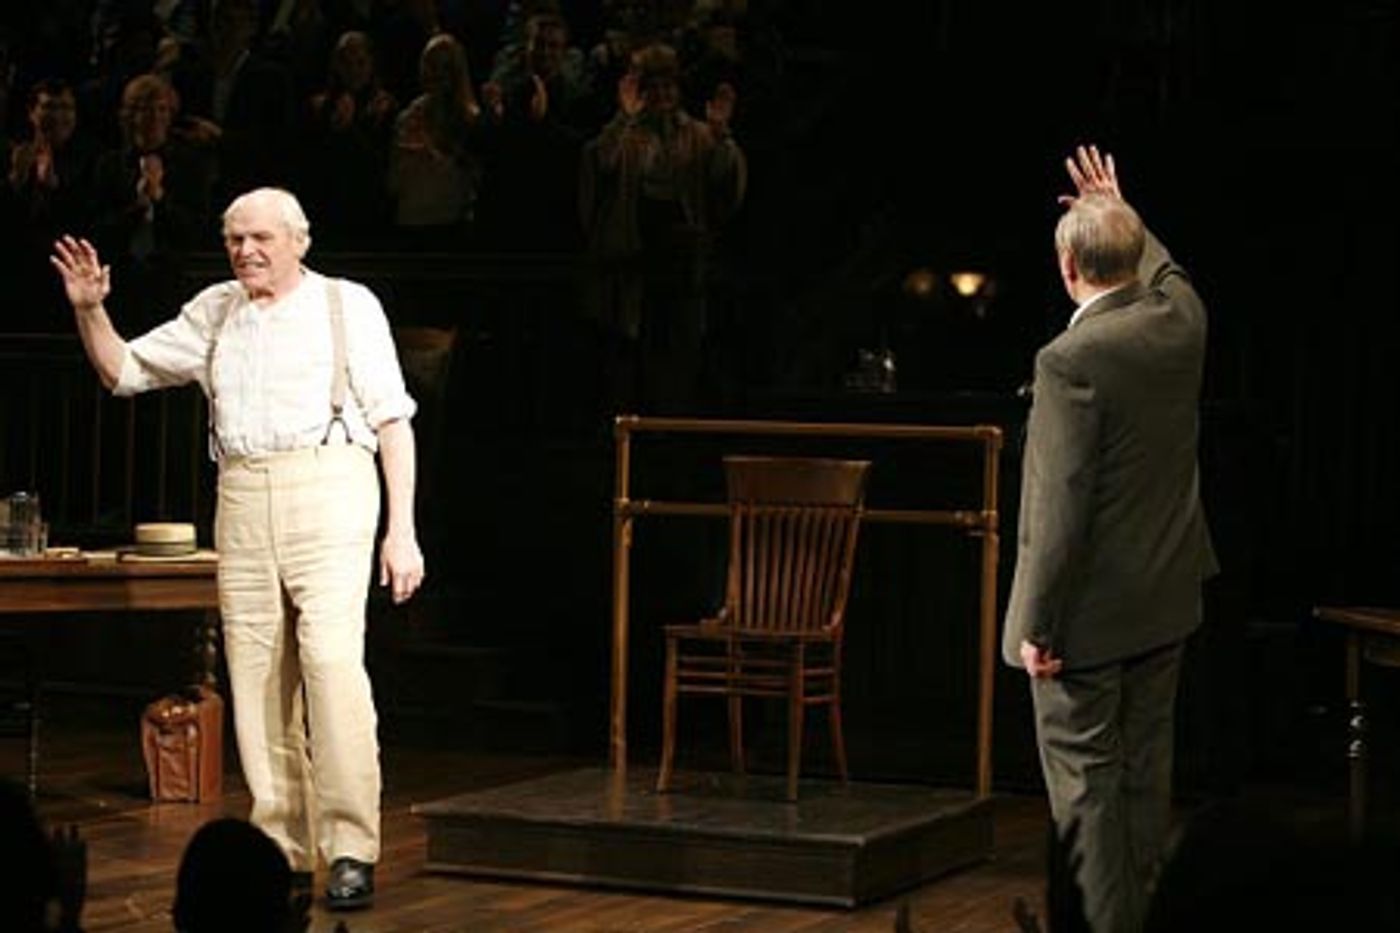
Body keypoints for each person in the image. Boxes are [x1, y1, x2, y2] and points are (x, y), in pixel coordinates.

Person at [50, 186, 425, 912]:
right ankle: (283, 847)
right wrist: (89, 309)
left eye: (261, 238)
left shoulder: (347, 305)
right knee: (255, 676)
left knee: (331, 664)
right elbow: (123, 371)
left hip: (331, 483)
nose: (246, 251)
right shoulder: (216, 310)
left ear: (298, 241)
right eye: (234, 240)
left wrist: (402, 531)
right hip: (245, 492)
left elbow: (393, 422)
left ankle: (351, 846)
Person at [1002, 145, 1217, 933]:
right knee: (1143, 788)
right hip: (1164, 602)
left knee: (1087, 796)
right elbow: (1170, 274)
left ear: (1067, 268)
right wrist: (1126, 214)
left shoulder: (1070, 360)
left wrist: (1037, 626)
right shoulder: (1182, 322)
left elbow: (1060, 507)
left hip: (1086, 623)